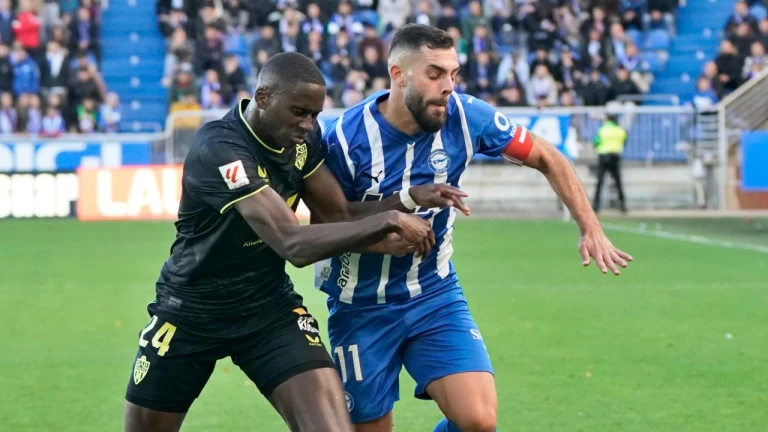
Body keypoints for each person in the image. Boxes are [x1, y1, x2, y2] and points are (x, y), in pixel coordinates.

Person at [123, 52, 468, 432]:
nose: (308, 124)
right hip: (190, 311)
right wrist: (388, 221)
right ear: (263, 97)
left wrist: (407, 199)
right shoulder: (221, 149)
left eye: (315, 114)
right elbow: (292, 244)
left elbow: (338, 215)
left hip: (268, 309)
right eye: (299, 112)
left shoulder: (303, 142)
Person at [314, 24, 634, 432]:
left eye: (453, 74)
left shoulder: (467, 116)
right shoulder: (344, 139)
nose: (448, 86)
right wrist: (382, 239)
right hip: (360, 305)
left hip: (433, 292)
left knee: (478, 421)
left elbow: (547, 156)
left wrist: (590, 226)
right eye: (434, 74)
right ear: (398, 75)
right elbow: (326, 225)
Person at [592, 114, 628, 213]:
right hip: (615, 157)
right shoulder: (620, 131)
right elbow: (624, 141)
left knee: (600, 182)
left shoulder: (602, 130)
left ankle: (596, 206)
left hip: (603, 157)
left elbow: (596, 142)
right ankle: (623, 205)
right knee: (618, 182)